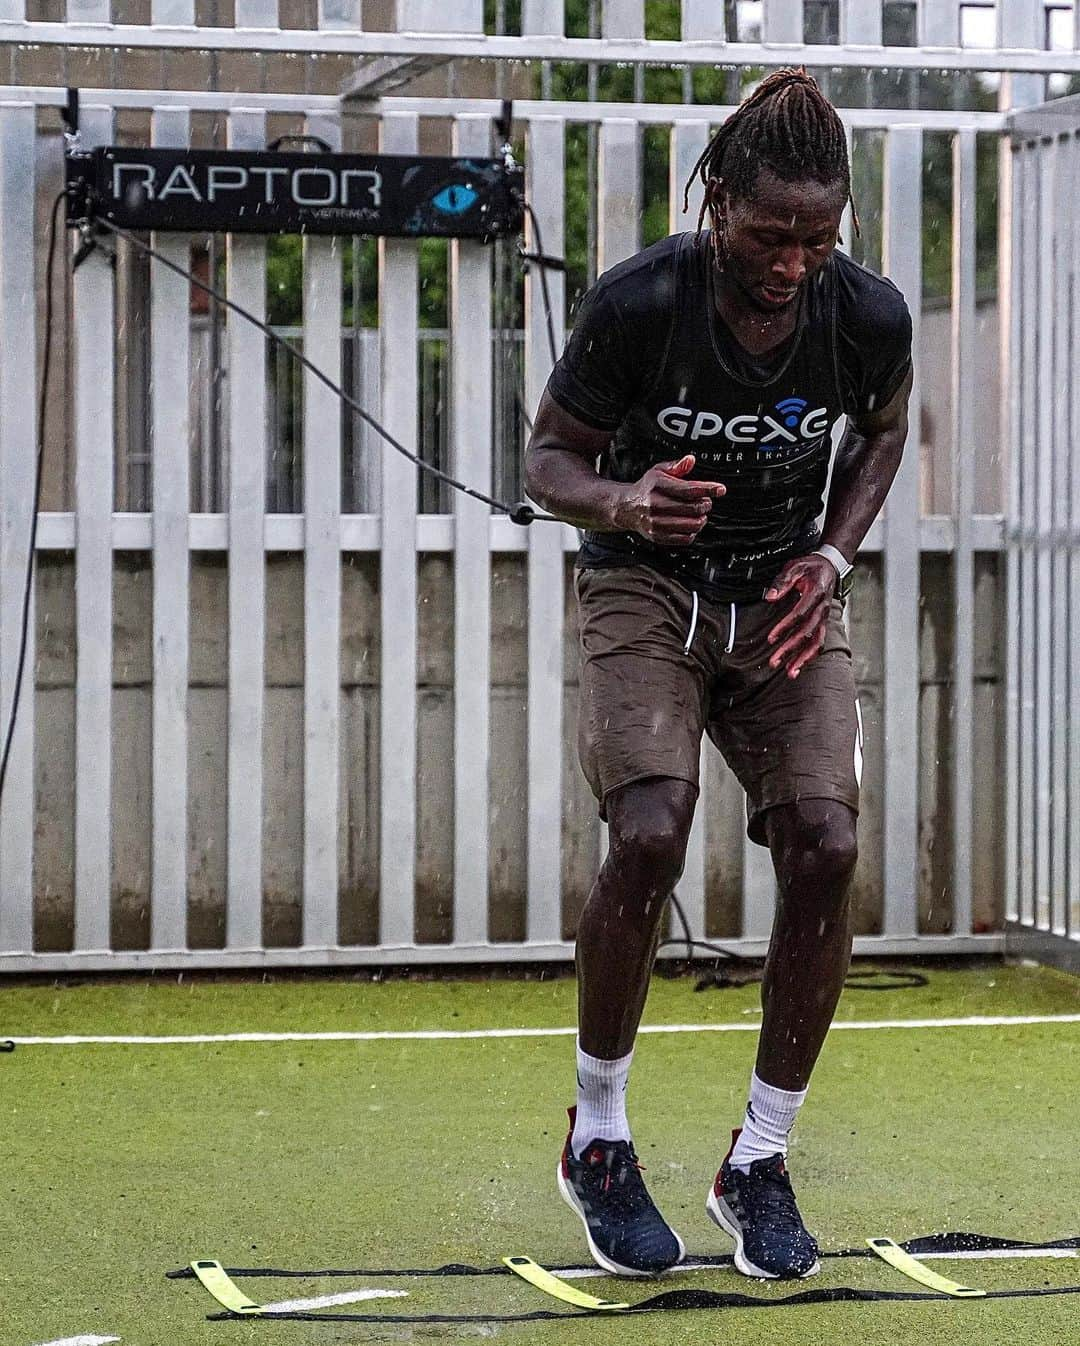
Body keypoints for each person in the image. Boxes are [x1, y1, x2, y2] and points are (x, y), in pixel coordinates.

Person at [523, 68, 913, 1281]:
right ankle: (598, 1132)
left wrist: (833, 554)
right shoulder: (642, 304)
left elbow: (886, 427)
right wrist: (627, 499)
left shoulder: (867, 315)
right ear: (718, 204)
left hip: (784, 596)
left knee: (827, 844)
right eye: (769, 233)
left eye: (818, 236)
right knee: (649, 827)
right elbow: (546, 459)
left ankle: (759, 1156)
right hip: (647, 585)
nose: (793, 260)